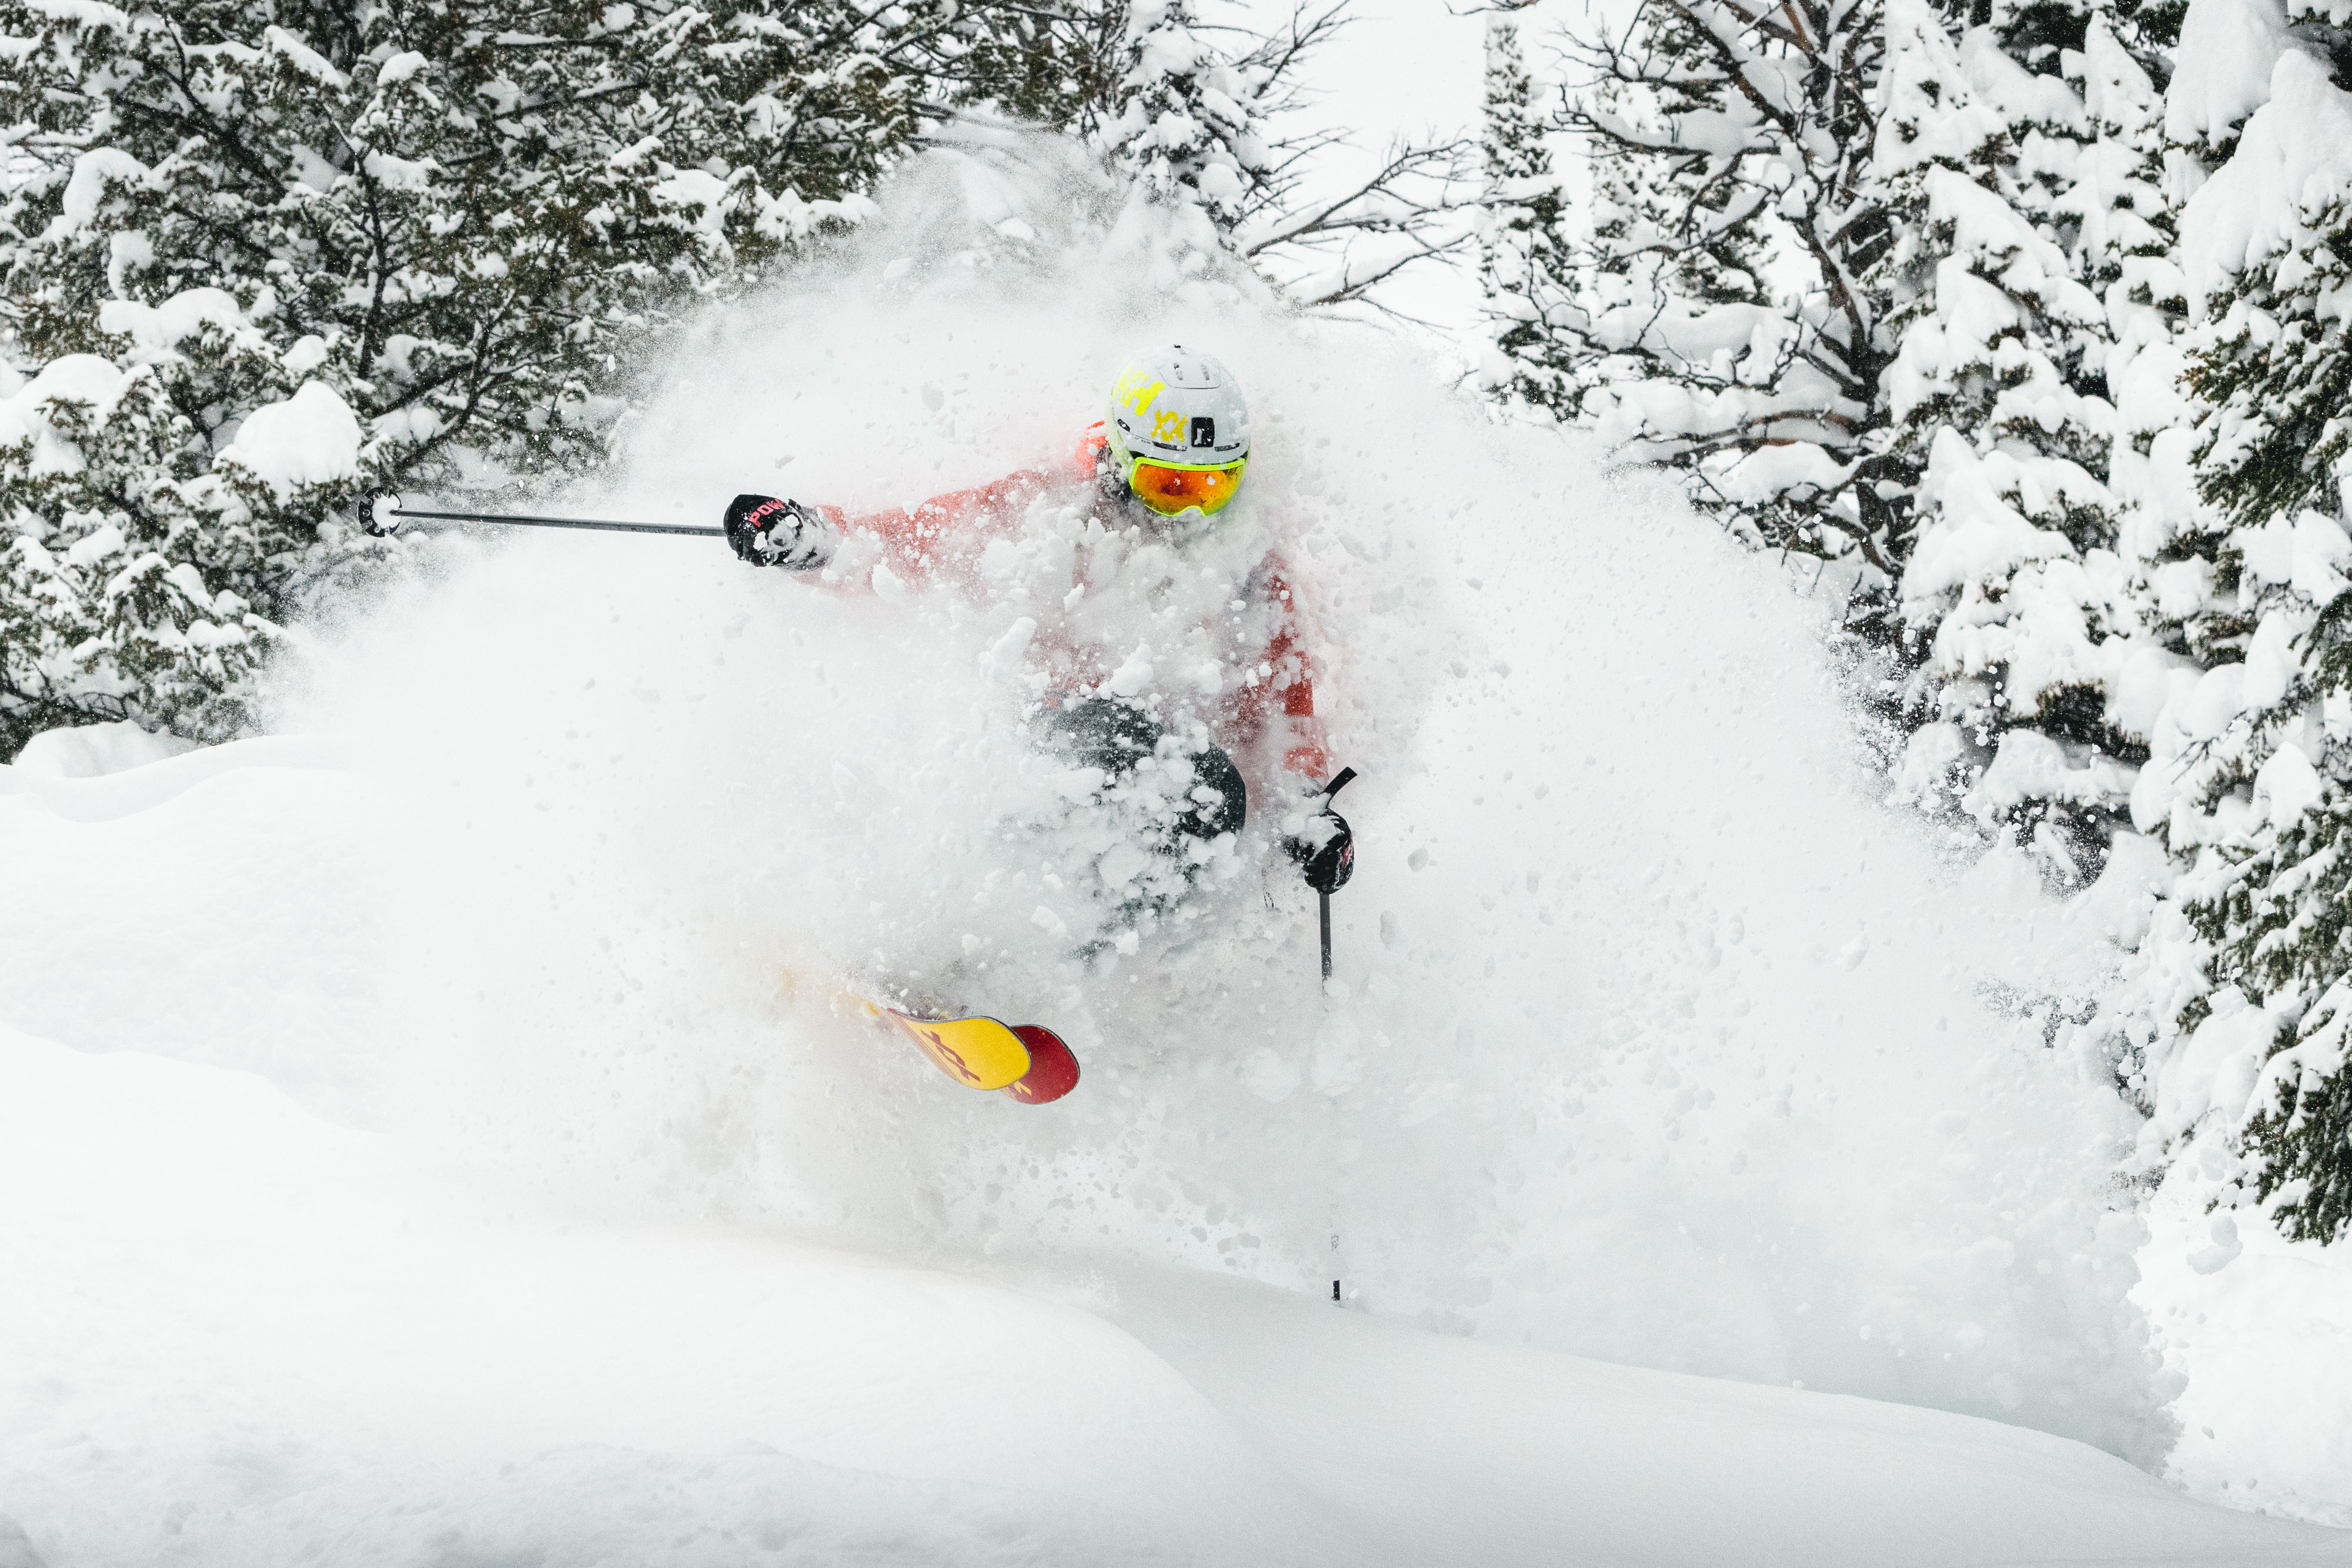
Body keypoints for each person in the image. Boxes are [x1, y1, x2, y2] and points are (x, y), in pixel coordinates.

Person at [721, 344, 1353, 898]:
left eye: (1212, 488)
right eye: (1169, 487)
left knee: (1211, 794)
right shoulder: (1049, 509)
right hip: (1030, 743)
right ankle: (973, 929)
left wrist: (1305, 811)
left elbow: (1284, 705)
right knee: (1170, 768)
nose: (1189, 515)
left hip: (1159, 784)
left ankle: (1084, 980)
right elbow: (914, 544)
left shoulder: (1244, 565)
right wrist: (814, 540)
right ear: (1122, 460)